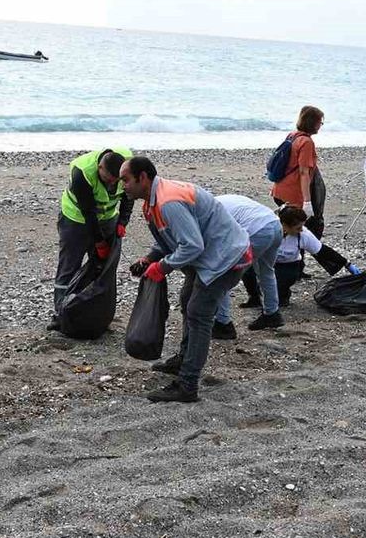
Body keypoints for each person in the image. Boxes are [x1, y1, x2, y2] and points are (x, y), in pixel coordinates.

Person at [122, 156, 252, 403]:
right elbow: (170, 237)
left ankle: (187, 385)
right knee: (187, 300)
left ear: (143, 178)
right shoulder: (153, 202)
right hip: (210, 257)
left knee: (198, 313)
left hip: (227, 258)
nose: (123, 186)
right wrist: (150, 258)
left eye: (126, 180)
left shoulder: (168, 201)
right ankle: (184, 359)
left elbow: (192, 245)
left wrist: (162, 267)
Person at [50, 147, 134, 329]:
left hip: (108, 219)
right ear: (99, 167)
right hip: (76, 219)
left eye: (116, 181)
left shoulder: (127, 165)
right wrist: (99, 242)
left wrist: (123, 221)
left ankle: (97, 312)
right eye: (107, 180)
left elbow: (129, 195)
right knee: (69, 266)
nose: (112, 184)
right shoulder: (82, 172)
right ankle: (61, 315)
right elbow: (88, 213)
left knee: (103, 267)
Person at [238, 206, 359, 309]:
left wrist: (347, 264)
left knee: (277, 293)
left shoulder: (303, 234)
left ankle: (284, 294)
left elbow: (323, 251)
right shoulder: (268, 230)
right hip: (266, 261)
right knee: (246, 269)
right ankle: (253, 297)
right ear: (284, 225)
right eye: (297, 228)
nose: (301, 230)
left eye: (302, 226)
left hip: (289, 266)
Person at [214, 194, 285, 335]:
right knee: (266, 271)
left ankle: (223, 324)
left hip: (256, 230)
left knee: (223, 274)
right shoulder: (225, 199)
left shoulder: (211, 209)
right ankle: (272, 313)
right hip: (275, 224)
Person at [270, 105, 326, 235]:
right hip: (293, 194)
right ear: (313, 122)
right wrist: (307, 201)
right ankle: (298, 253)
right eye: (320, 122)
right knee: (305, 229)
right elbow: (303, 172)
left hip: (279, 189)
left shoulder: (292, 135)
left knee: (288, 227)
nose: (320, 125)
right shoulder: (306, 142)